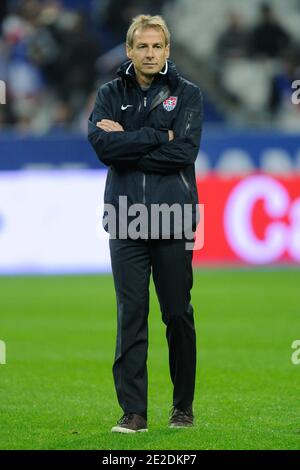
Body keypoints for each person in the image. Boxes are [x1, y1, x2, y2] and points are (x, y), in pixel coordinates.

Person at [88, 14, 203, 433]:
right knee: (131, 315)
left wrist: (127, 139)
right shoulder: (108, 93)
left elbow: (184, 152)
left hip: (174, 216)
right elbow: (102, 146)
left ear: (167, 51)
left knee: (177, 314)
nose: (150, 53)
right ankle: (134, 413)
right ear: (129, 50)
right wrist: (159, 136)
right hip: (125, 216)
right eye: (143, 46)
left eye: (157, 46)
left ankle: (183, 406)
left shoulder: (188, 94)